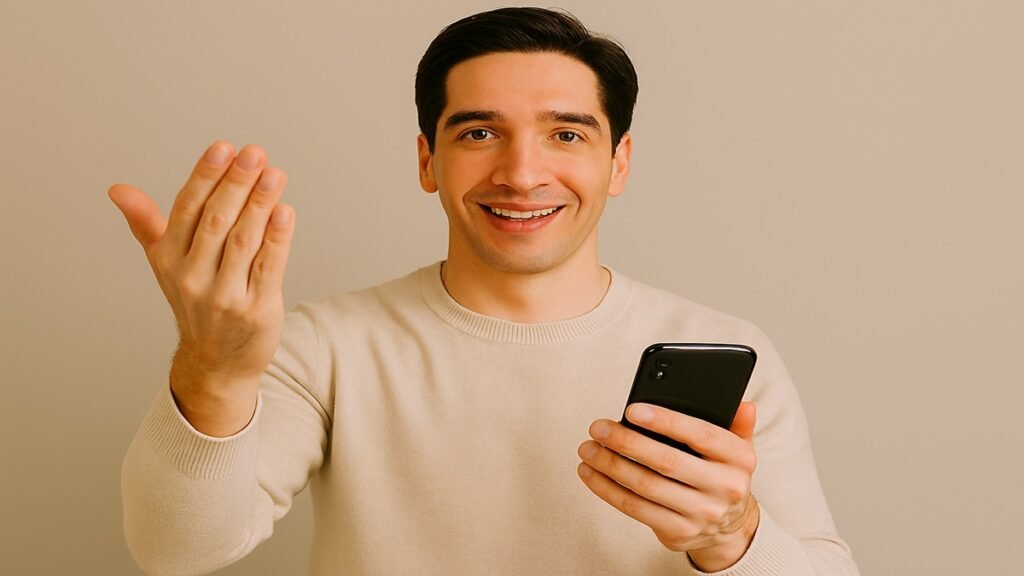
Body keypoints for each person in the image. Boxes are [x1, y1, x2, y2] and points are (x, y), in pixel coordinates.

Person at [112, 7, 860, 575]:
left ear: (619, 163)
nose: (522, 172)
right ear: (427, 159)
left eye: (566, 134)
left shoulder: (732, 350)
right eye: (478, 133)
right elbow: (177, 551)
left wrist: (732, 539)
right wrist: (211, 368)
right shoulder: (326, 346)